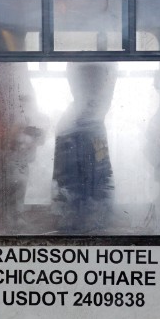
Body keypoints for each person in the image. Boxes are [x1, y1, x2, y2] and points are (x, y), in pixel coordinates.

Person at [51, 62, 117, 233]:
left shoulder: (91, 123)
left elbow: (102, 168)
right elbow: (69, 182)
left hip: (87, 213)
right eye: (99, 85)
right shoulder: (76, 126)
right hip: (80, 218)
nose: (106, 95)